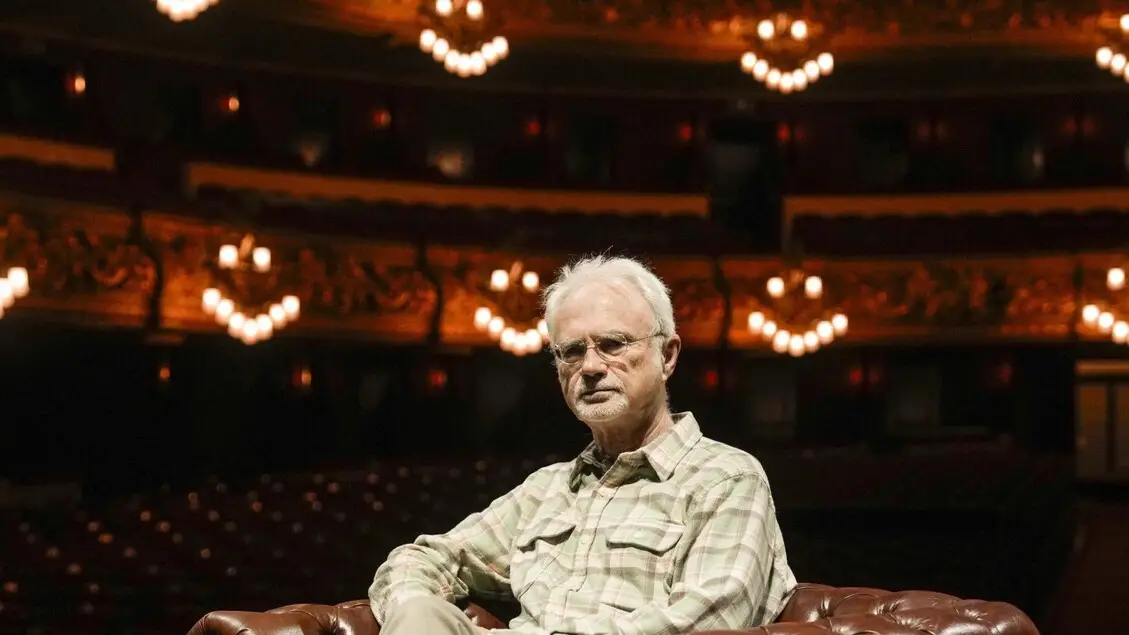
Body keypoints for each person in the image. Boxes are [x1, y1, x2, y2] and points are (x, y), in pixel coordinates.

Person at [369, 254, 796, 635]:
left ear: (667, 356)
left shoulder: (725, 478)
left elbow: (706, 623)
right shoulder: (546, 490)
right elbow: (419, 559)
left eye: (612, 344)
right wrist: (411, 608)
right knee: (419, 613)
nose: (590, 366)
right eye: (571, 351)